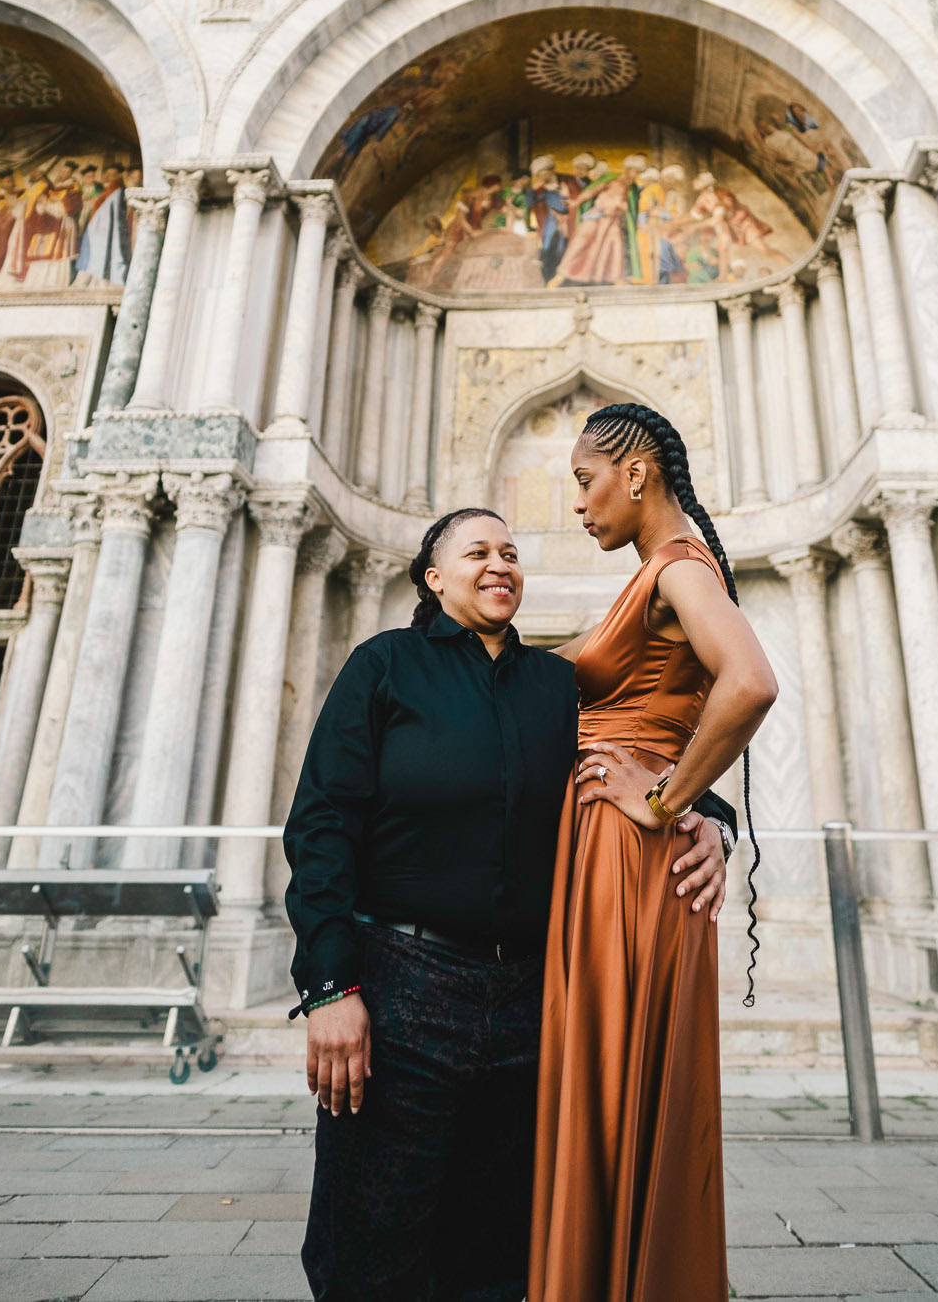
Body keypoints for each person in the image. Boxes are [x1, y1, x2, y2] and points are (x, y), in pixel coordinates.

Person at [284, 507, 737, 1302]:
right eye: (478, 552)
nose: (500, 565)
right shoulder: (384, 668)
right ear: (433, 576)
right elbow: (321, 827)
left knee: (497, 1254)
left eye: (511, 553)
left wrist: (705, 817)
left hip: (532, 1002)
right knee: (370, 1245)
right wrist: (330, 988)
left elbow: (641, 751)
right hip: (402, 990)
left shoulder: (557, 687)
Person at [529, 400, 778, 1302]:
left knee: (610, 1076)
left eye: (586, 483)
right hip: (618, 854)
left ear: (636, 474)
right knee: (611, 1078)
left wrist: (667, 798)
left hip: (629, 859)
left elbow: (750, 683)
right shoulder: (658, 574)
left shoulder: (675, 568)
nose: (581, 506)